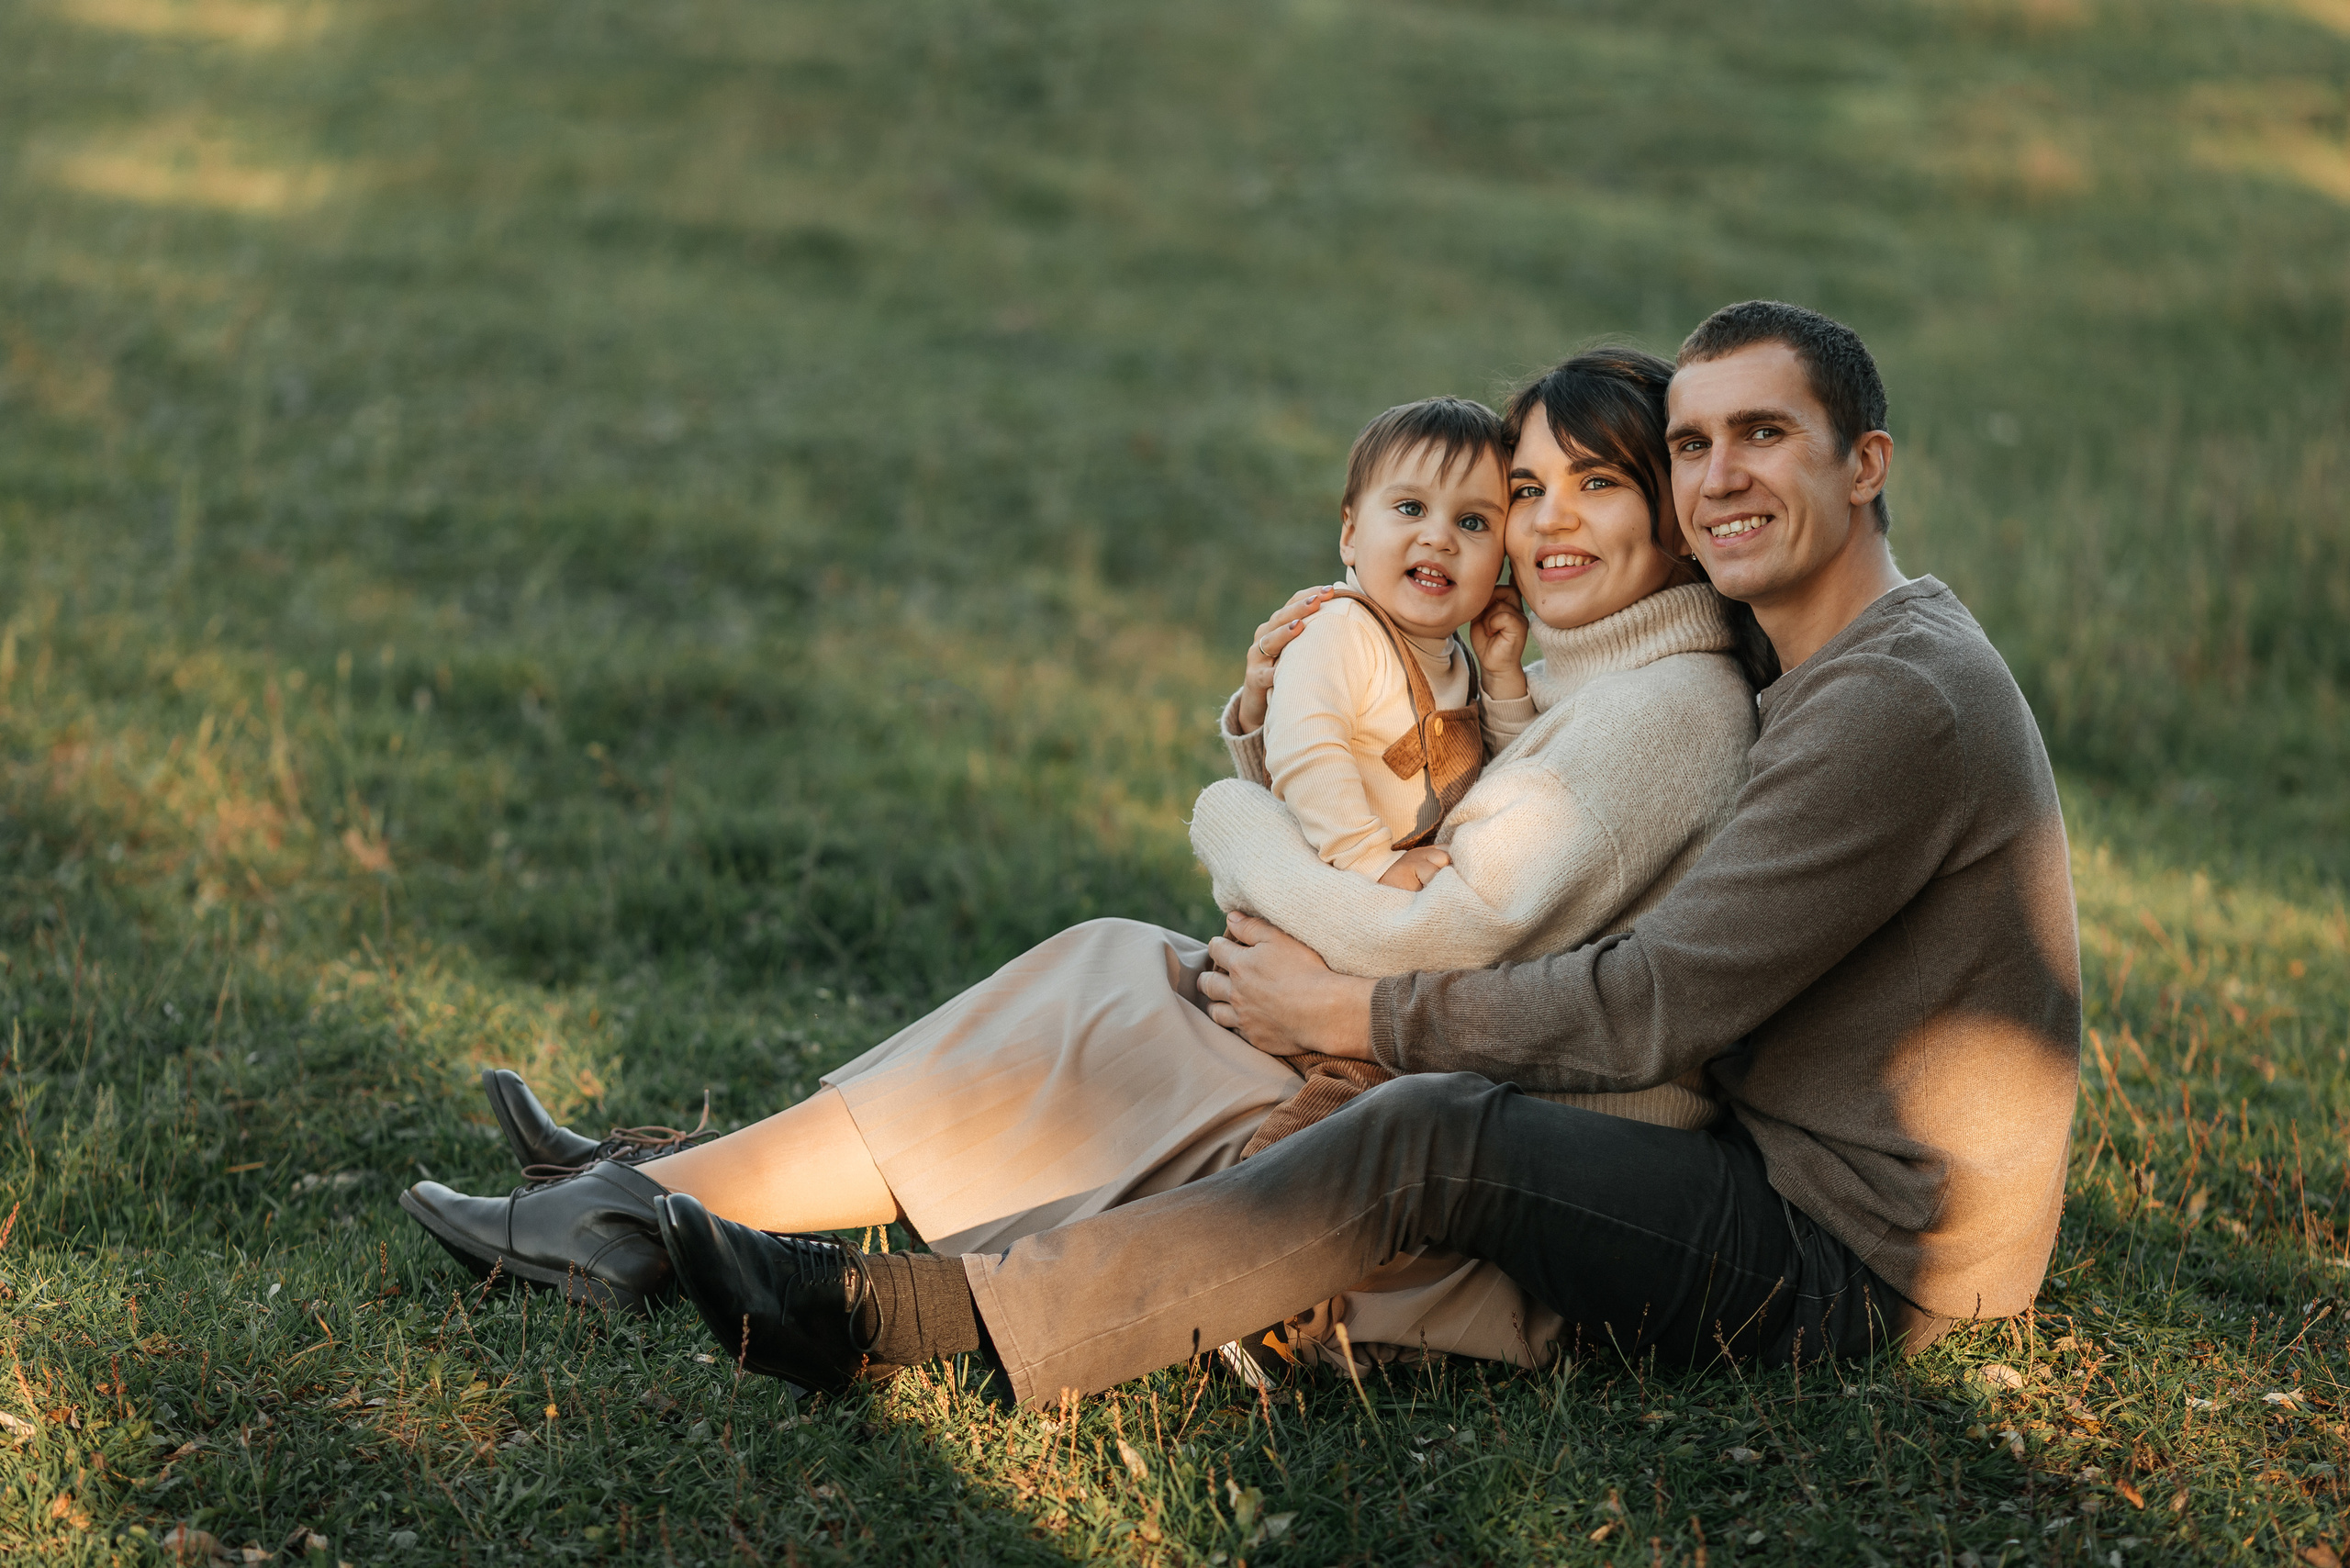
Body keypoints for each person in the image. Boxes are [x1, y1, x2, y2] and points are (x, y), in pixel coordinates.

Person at [632, 301, 2084, 1407]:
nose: (1717, 477)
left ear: (1865, 462)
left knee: (1431, 1133)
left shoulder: (1896, 700)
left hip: (1861, 1259)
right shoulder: (1829, 661)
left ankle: (905, 1318)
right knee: (1227, 1029)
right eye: (1693, 444)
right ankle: (674, 1192)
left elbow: (1655, 1005)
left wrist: (1362, 1015)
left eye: (1761, 436)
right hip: (1768, 1168)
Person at [397, 349, 1769, 1375]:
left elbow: (1452, 929)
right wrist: (1276, 732)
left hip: (1498, 1160)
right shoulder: (1593, 677)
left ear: (1669, 515)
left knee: (1110, 1007)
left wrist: (1233, 827)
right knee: (1112, 971)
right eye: (1526, 490)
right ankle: (658, 1193)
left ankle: (643, 1209)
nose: (1546, 522)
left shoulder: (1666, 712)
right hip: (1439, 1063)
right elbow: (1412, 845)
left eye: (1597, 486)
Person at [1254, 396, 1528, 892]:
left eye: (1472, 522)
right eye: (1411, 508)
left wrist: (1502, 677)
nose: (1439, 538)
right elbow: (1305, 750)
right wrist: (1371, 861)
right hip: (1323, 889)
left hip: (1396, 897)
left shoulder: (1458, 658)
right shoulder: (1339, 631)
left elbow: (1515, 785)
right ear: (1350, 534)